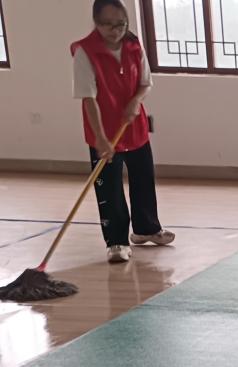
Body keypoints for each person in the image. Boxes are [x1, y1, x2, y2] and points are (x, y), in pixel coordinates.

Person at [72, 0, 174, 264]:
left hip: (133, 125)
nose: (115, 30)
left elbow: (145, 83)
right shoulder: (85, 52)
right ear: (96, 23)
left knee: (143, 177)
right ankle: (116, 241)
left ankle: (146, 229)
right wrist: (101, 139)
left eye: (121, 24)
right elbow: (88, 98)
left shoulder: (133, 45)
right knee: (110, 188)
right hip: (103, 131)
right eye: (108, 24)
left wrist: (135, 101)